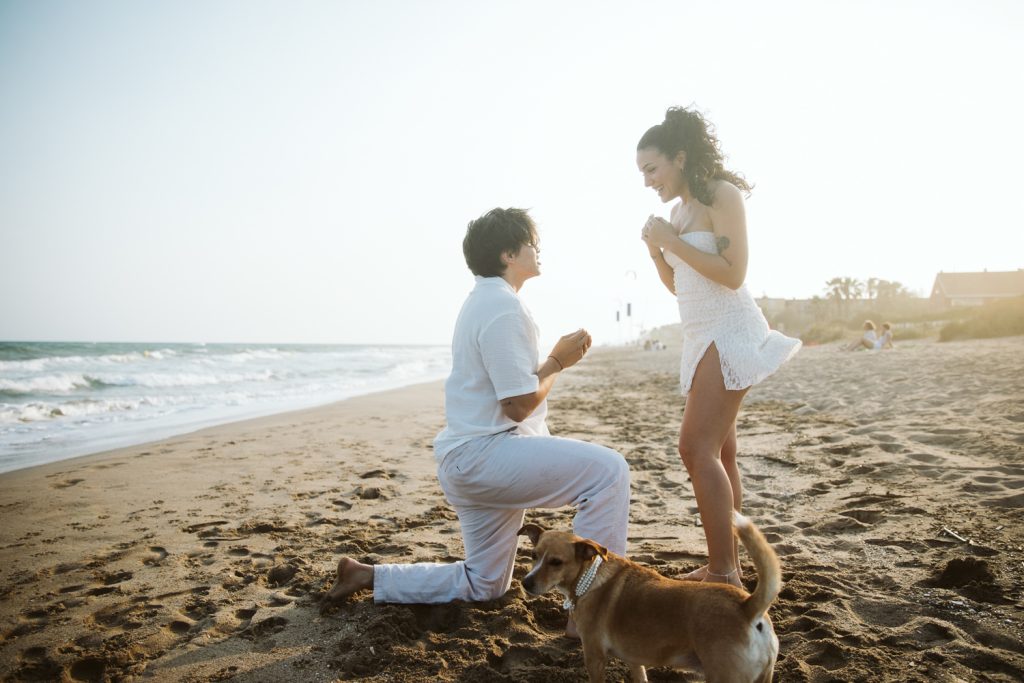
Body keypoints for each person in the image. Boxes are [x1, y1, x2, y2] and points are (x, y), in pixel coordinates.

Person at [325, 207, 631, 635]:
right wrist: (560, 361)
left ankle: (368, 575)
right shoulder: (503, 308)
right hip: (488, 455)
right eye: (530, 243)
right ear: (508, 253)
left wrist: (552, 364)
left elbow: (515, 396)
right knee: (609, 471)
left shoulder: (483, 301)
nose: (537, 249)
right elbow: (519, 404)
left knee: (485, 583)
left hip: (470, 459)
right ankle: (592, 612)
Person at [636, 107, 801, 587]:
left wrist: (672, 241)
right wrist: (655, 250)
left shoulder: (720, 196)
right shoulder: (677, 212)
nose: (648, 181)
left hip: (730, 330)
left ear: (681, 158)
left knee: (694, 448)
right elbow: (680, 286)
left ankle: (724, 574)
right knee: (721, 455)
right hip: (698, 336)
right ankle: (724, 565)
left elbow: (732, 273)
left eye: (652, 168)